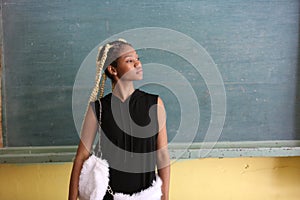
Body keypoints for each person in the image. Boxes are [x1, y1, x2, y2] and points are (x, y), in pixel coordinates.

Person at [69, 39, 170, 200]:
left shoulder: (154, 104)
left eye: (138, 59)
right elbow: (81, 156)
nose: (138, 64)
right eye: (130, 61)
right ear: (113, 69)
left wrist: (165, 198)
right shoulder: (98, 108)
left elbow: (162, 155)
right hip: (108, 195)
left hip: (146, 196)